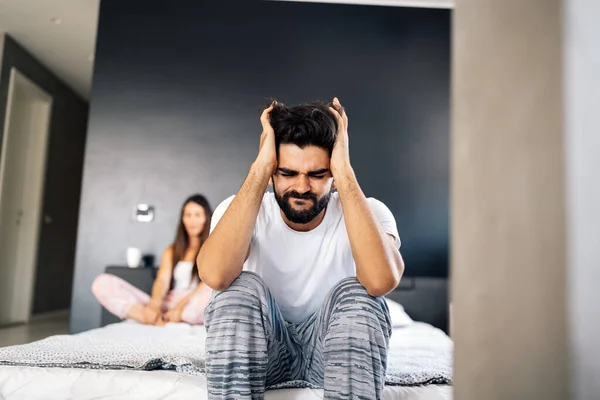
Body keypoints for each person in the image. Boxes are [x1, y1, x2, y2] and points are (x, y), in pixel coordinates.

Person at [197, 98, 405, 399]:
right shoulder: (238, 208)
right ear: (272, 172)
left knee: (360, 294)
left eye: (317, 174)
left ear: (332, 174)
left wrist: (345, 173)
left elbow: (381, 282)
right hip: (262, 352)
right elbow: (215, 276)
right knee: (238, 289)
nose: (302, 187)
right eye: (288, 173)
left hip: (335, 353)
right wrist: (259, 169)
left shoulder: (370, 212)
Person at [92, 194, 214, 326]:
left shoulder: (213, 249)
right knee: (101, 282)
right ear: (182, 219)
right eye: (188, 215)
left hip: (193, 303)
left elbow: (206, 286)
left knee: (212, 293)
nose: (192, 220)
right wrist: (154, 306)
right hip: (168, 304)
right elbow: (162, 281)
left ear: (206, 218)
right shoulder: (171, 250)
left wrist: (180, 308)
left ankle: (177, 317)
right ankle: (147, 317)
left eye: (197, 215)